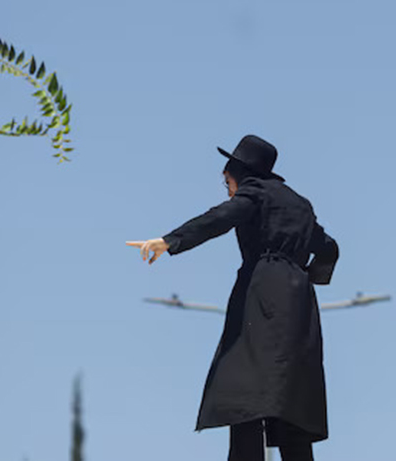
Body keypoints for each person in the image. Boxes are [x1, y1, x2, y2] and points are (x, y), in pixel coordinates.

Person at [127, 135, 339, 461]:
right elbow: (328, 247)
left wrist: (169, 241)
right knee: (291, 395)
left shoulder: (254, 193)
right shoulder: (299, 204)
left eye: (227, 182)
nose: (227, 190)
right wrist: (305, 276)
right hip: (299, 305)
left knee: (244, 387)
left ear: (241, 174)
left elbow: (221, 218)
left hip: (262, 296)